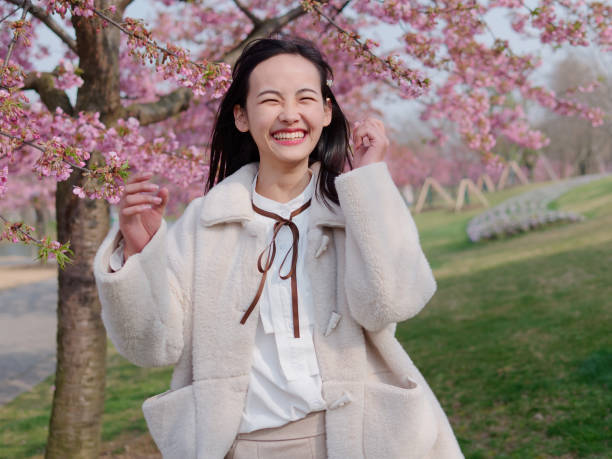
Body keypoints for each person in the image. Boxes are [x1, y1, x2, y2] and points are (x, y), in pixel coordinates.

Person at [94, 37, 463, 459]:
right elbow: (152, 346)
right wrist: (140, 255)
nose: (290, 114)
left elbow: (391, 302)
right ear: (242, 116)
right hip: (246, 444)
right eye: (270, 100)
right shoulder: (205, 221)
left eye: (306, 98)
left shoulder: (352, 210)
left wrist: (371, 181)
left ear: (326, 112)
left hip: (361, 439)